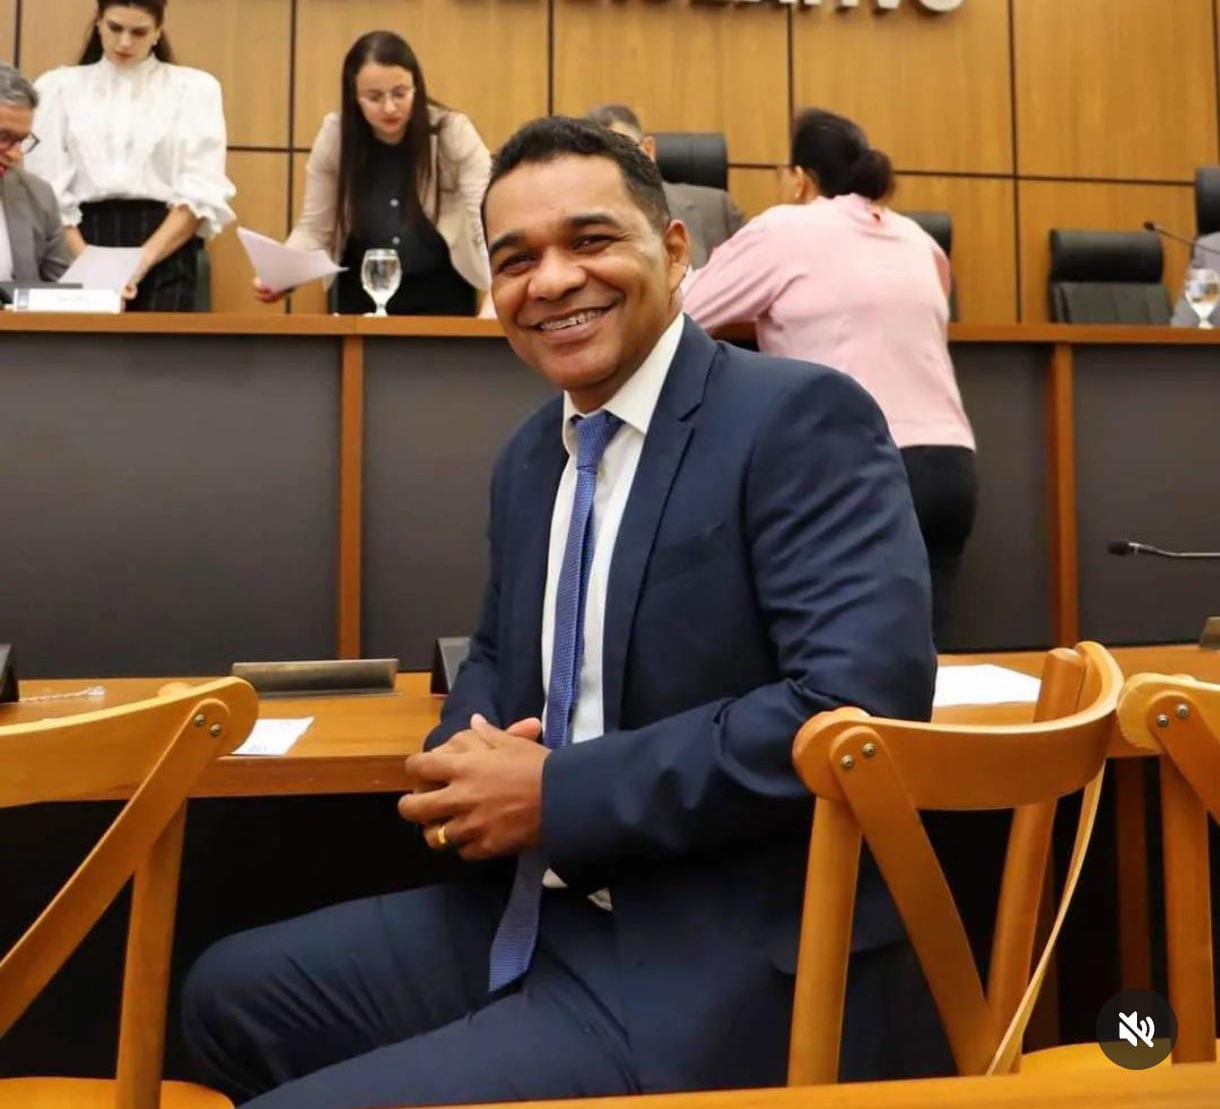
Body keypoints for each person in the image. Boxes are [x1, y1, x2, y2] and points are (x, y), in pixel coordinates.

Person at [182, 116, 943, 1108]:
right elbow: (499, 658)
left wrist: (558, 795)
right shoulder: (532, 457)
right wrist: (466, 766)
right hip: (537, 909)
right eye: (515, 260)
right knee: (227, 997)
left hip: (715, 957)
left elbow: (856, 707)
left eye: (589, 241)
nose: (549, 281)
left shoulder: (797, 417)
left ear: (675, 250)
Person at [684, 108, 977, 645]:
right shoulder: (919, 239)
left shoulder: (785, 228)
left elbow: (682, 312)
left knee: (847, 651)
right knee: (927, 653)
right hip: (950, 466)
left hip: (857, 462)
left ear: (800, 178)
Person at [26, 0, 234, 311]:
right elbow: (46, 190)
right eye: (115, 28)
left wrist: (139, 264)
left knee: (159, 345)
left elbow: (200, 190)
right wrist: (91, 267)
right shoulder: (57, 87)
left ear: (158, 31)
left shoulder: (195, 88)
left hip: (165, 248)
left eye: (139, 32)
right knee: (78, 346)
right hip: (77, 242)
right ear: (98, 22)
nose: (125, 42)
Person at [257, 31, 490, 315]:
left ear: (417, 87)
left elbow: (485, 221)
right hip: (360, 295)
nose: (389, 107)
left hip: (444, 292)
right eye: (374, 97)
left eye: (400, 93)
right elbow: (315, 229)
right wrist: (283, 272)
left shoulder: (452, 132)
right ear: (354, 96)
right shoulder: (336, 137)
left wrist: (498, 289)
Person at [586, 103, 744, 268]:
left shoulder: (716, 208)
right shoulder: (583, 225)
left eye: (622, 153)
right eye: (597, 159)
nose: (612, 167)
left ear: (648, 151)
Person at [0, 64, 71, 287]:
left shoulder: (39, 196)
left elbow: (59, 291)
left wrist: (102, 297)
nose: (15, 154)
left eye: (21, 141)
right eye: (3, 137)